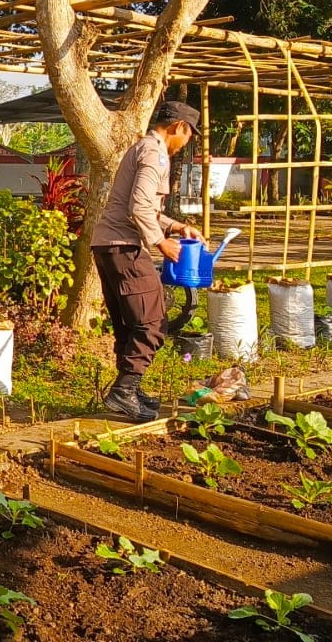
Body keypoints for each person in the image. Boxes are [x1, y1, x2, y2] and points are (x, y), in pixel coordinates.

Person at [92, 100, 205, 422]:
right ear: (179, 127)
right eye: (189, 135)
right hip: (125, 247)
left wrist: (175, 226)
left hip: (108, 246)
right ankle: (124, 390)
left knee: (129, 323)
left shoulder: (141, 148)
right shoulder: (154, 154)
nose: (187, 142)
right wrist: (161, 242)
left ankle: (129, 389)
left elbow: (144, 207)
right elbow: (139, 208)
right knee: (153, 323)